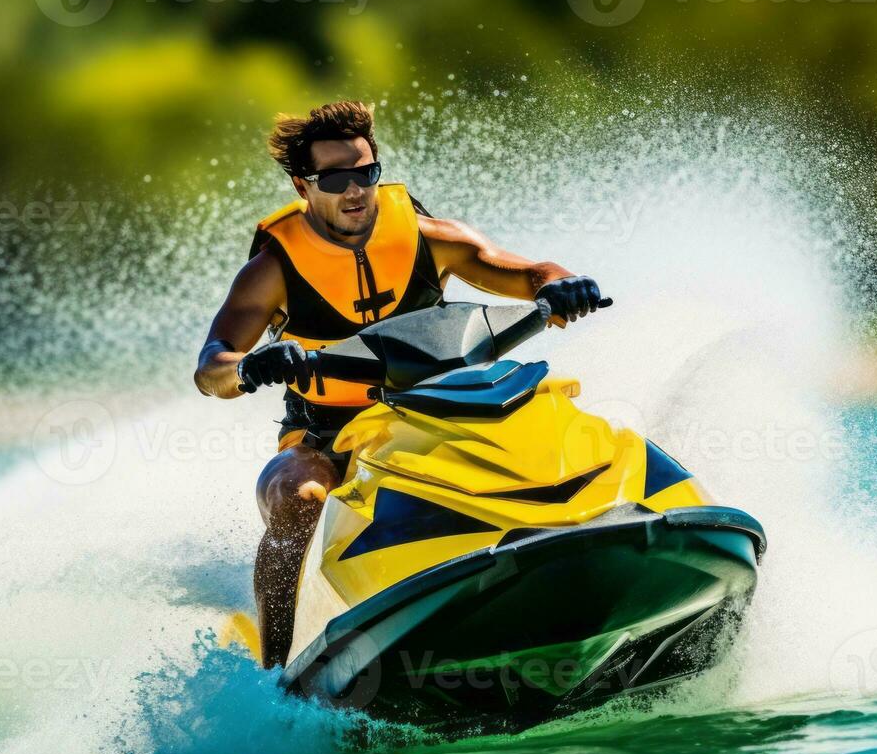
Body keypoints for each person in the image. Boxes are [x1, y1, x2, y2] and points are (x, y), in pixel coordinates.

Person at [194, 100, 605, 667]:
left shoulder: (430, 237)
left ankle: (585, 536)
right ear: (302, 185)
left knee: (552, 418)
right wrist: (247, 367)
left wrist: (564, 285)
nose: (356, 190)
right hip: (329, 434)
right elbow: (211, 367)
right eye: (336, 178)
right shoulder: (272, 269)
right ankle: (274, 671)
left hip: (440, 408)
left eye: (365, 172)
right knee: (299, 499)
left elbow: (529, 272)